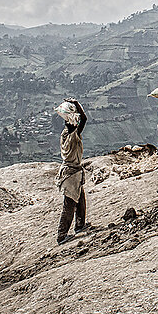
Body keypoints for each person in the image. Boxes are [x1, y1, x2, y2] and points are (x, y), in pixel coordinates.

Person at [54, 98, 89, 245]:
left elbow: (77, 122)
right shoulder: (73, 136)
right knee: (69, 204)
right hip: (71, 174)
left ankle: (80, 225)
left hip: (70, 171)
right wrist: (76, 104)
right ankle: (62, 235)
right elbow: (84, 119)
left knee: (80, 198)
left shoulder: (64, 135)